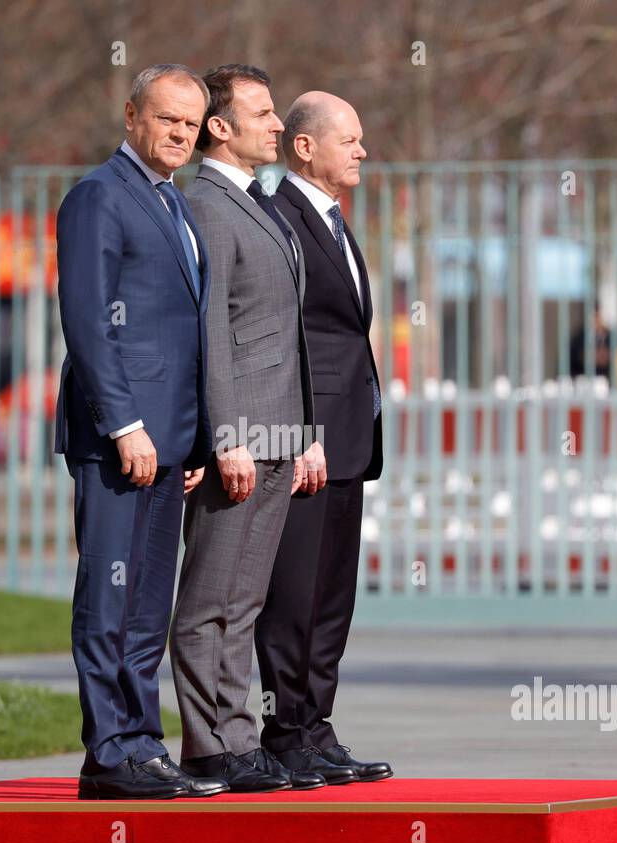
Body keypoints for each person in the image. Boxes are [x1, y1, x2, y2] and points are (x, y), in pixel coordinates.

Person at [53, 64, 224, 800]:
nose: (181, 134)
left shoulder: (175, 206)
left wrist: (194, 439)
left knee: (150, 600)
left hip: (171, 446)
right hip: (120, 439)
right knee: (110, 596)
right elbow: (91, 323)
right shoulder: (99, 196)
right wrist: (125, 424)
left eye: (191, 123)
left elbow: (186, 336)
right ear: (131, 116)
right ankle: (110, 750)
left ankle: (141, 745)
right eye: (167, 119)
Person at [169, 65, 326, 794]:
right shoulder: (205, 205)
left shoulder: (254, 203)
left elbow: (281, 332)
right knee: (210, 600)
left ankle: (236, 738)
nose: (276, 125)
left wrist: (302, 433)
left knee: (245, 601)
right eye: (262, 114)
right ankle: (210, 745)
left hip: (277, 434)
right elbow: (210, 334)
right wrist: (225, 435)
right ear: (221, 128)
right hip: (242, 435)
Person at [254, 91, 392, 783]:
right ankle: (283, 730)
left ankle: (315, 725)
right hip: (304, 440)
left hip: (347, 436)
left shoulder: (334, 222)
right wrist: (300, 430)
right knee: (294, 593)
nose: (362, 150)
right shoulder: (279, 221)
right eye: (351, 139)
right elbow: (286, 342)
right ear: (305, 147)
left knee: (333, 592)